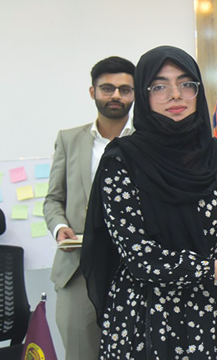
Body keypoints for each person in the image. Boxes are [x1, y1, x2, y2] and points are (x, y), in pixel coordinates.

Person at [79, 46, 217, 359]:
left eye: (186, 84)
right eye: (159, 86)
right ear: (144, 95)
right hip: (146, 316)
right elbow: (142, 258)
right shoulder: (122, 160)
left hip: (213, 316)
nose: (175, 95)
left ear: (198, 92)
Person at [44, 55, 135, 360]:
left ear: (135, 94)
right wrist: (59, 228)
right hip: (77, 268)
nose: (116, 96)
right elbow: (53, 199)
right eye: (107, 88)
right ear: (92, 91)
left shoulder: (146, 142)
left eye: (125, 89)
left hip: (133, 268)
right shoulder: (69, 140)